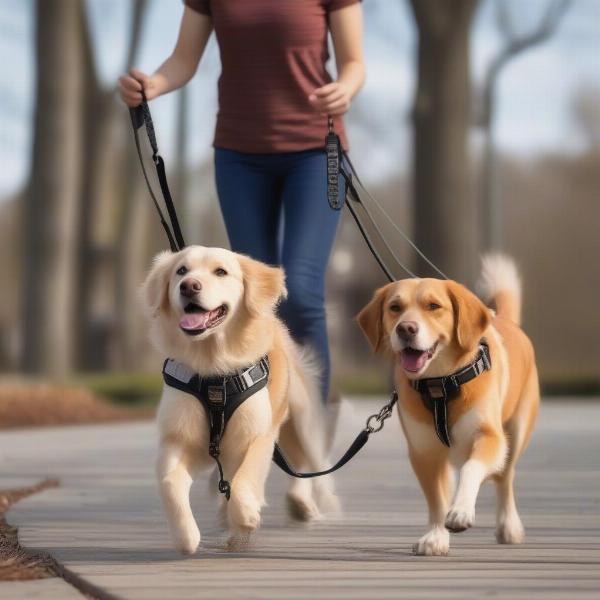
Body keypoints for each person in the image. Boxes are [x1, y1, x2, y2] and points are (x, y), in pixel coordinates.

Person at [119, 1, 365, 403]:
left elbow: (354, 62)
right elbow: (183, 60)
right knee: (249, 296)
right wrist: (152, 86)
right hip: (239, 157)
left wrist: (345, 89)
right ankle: (261, 411)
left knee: (300, 294)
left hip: (316, 153)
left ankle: (315, 418)